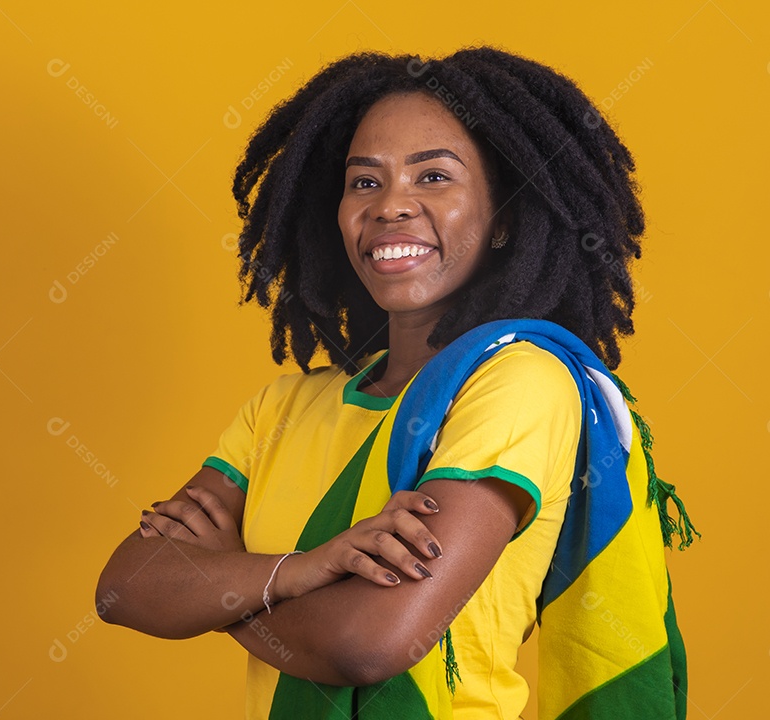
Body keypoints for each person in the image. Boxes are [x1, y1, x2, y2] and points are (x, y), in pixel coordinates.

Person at [96, 46, 696, 719]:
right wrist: (305, 568)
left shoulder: (521, 384)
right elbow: (124, 588)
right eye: (364, 182)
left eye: (434, 176)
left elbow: (372, 640)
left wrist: (221, 583)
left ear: (502, 219)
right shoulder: (282, 409)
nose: (391, 207)